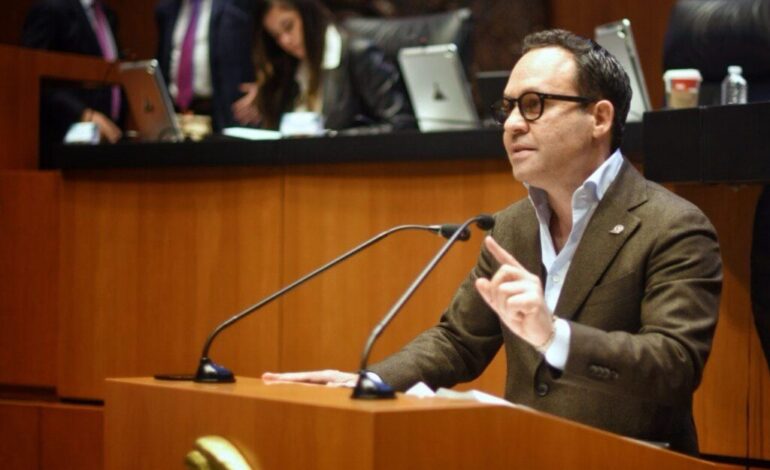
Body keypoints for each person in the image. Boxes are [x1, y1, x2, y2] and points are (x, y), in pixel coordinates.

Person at [263, 29, 722, 455]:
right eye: (508, 108)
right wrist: (368, 382)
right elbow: (457, 342)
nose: (513, 125)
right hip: (525, 456)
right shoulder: (513, 227)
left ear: (599, 118)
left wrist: (554, 335)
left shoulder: (672, 226)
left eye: (534, 105)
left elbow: (674, 365)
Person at [243, 0, 414, 132]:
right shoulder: (289, 69)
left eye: (289, 26)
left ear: (308, 14)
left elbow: (402, 125)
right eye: (276, 36)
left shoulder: (357, 54)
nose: (285, 41)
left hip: (350, 165)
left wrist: (336, 140)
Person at [22, 0, 123, 145]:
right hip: (63, 139)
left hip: (108, 137)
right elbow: (31, 74)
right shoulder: (51, 8)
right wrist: (83, 114)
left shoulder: (107, 14)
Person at [156, 0, 257, 132]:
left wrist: (264, 88)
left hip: (225, 114)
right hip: (177, 116)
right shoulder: (167, 9)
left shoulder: (236, 5)